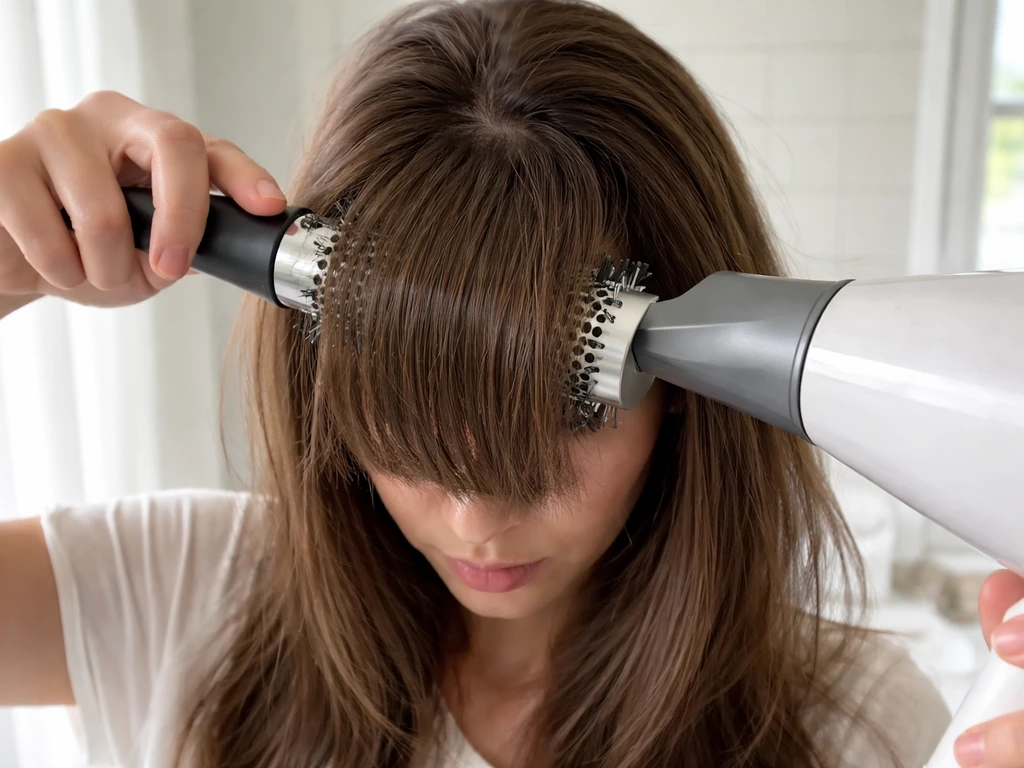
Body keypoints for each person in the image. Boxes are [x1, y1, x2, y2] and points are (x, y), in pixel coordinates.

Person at [0, 0, 1009, 766]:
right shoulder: (178, 591)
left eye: (557, 422)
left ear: (690, 387)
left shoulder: (858, 720)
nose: (477, 520)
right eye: (407, 426)